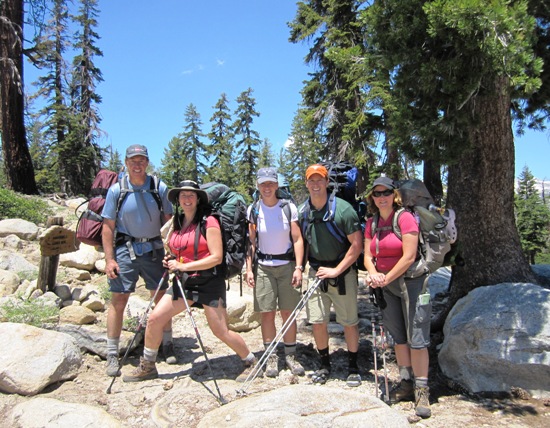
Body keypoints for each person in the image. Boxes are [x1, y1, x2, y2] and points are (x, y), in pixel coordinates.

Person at [123, 180, 261, 382]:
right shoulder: (178, 222)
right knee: (154, 319)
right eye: (183, 195)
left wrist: (183, 266)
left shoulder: (209, 222)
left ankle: (250, 361)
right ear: (177, 199)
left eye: (191, 195)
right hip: (184, 282)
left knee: (220, 331)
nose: (187, 199)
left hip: (209, 282)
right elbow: (180, 250)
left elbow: (216, 257)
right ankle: (148, 366)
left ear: (198, 199)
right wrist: (171, 259)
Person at [102, 144, 174, 377]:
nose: (137, 164)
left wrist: (171, 248)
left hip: (154, 248)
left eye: (141, 159)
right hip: (125, 249)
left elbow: (168, 220)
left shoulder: (158, 187)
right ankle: (112, 354)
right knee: (119, 299)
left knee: (162, 297)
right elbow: (107, 226)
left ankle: (167, 344)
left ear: (147, 162)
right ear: (126, 162)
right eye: (133, 160)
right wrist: (109, 259)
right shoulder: (116, 190)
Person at [363, 176, 431, 419]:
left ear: (394, 195)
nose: (381, 197)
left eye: (386, 193)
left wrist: (385, 277)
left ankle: (422, 389)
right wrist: (373, 275)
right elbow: (368, 255)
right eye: (377, 193)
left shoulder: (405, 218)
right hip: (387, 285)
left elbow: (409, 256)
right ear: (372, 197)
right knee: (399, 336)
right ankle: (406, 382)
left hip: (412, 283)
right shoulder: (371, 223)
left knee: (417, 338)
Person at [299, 164, 363, 386]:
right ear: (306, 184)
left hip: (342, 272)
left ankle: (353, 366)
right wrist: (300, 268)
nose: (315, 184)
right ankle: (324, 364)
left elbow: (357, 245)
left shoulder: (344, 210)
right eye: (311, 180)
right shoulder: (303, 212)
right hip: (316, 273)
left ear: (327, 182)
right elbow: (302, 242)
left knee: (349, 322)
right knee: (317, 322)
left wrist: (337, 270)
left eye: (320, 180)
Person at [245, 167, 305, 378]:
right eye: (263, 184)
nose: (267, 187)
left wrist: (299, 267)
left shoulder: (288, 208)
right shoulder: (253, 210)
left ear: (277, 185)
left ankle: (290, 355)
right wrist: (249, 269)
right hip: (263, 267)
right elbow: (251, 243)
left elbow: (297, 239)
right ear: (258, 186)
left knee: (288, 312)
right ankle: (271, 356)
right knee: (267, 313)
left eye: (271, 183)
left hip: (287, 266)